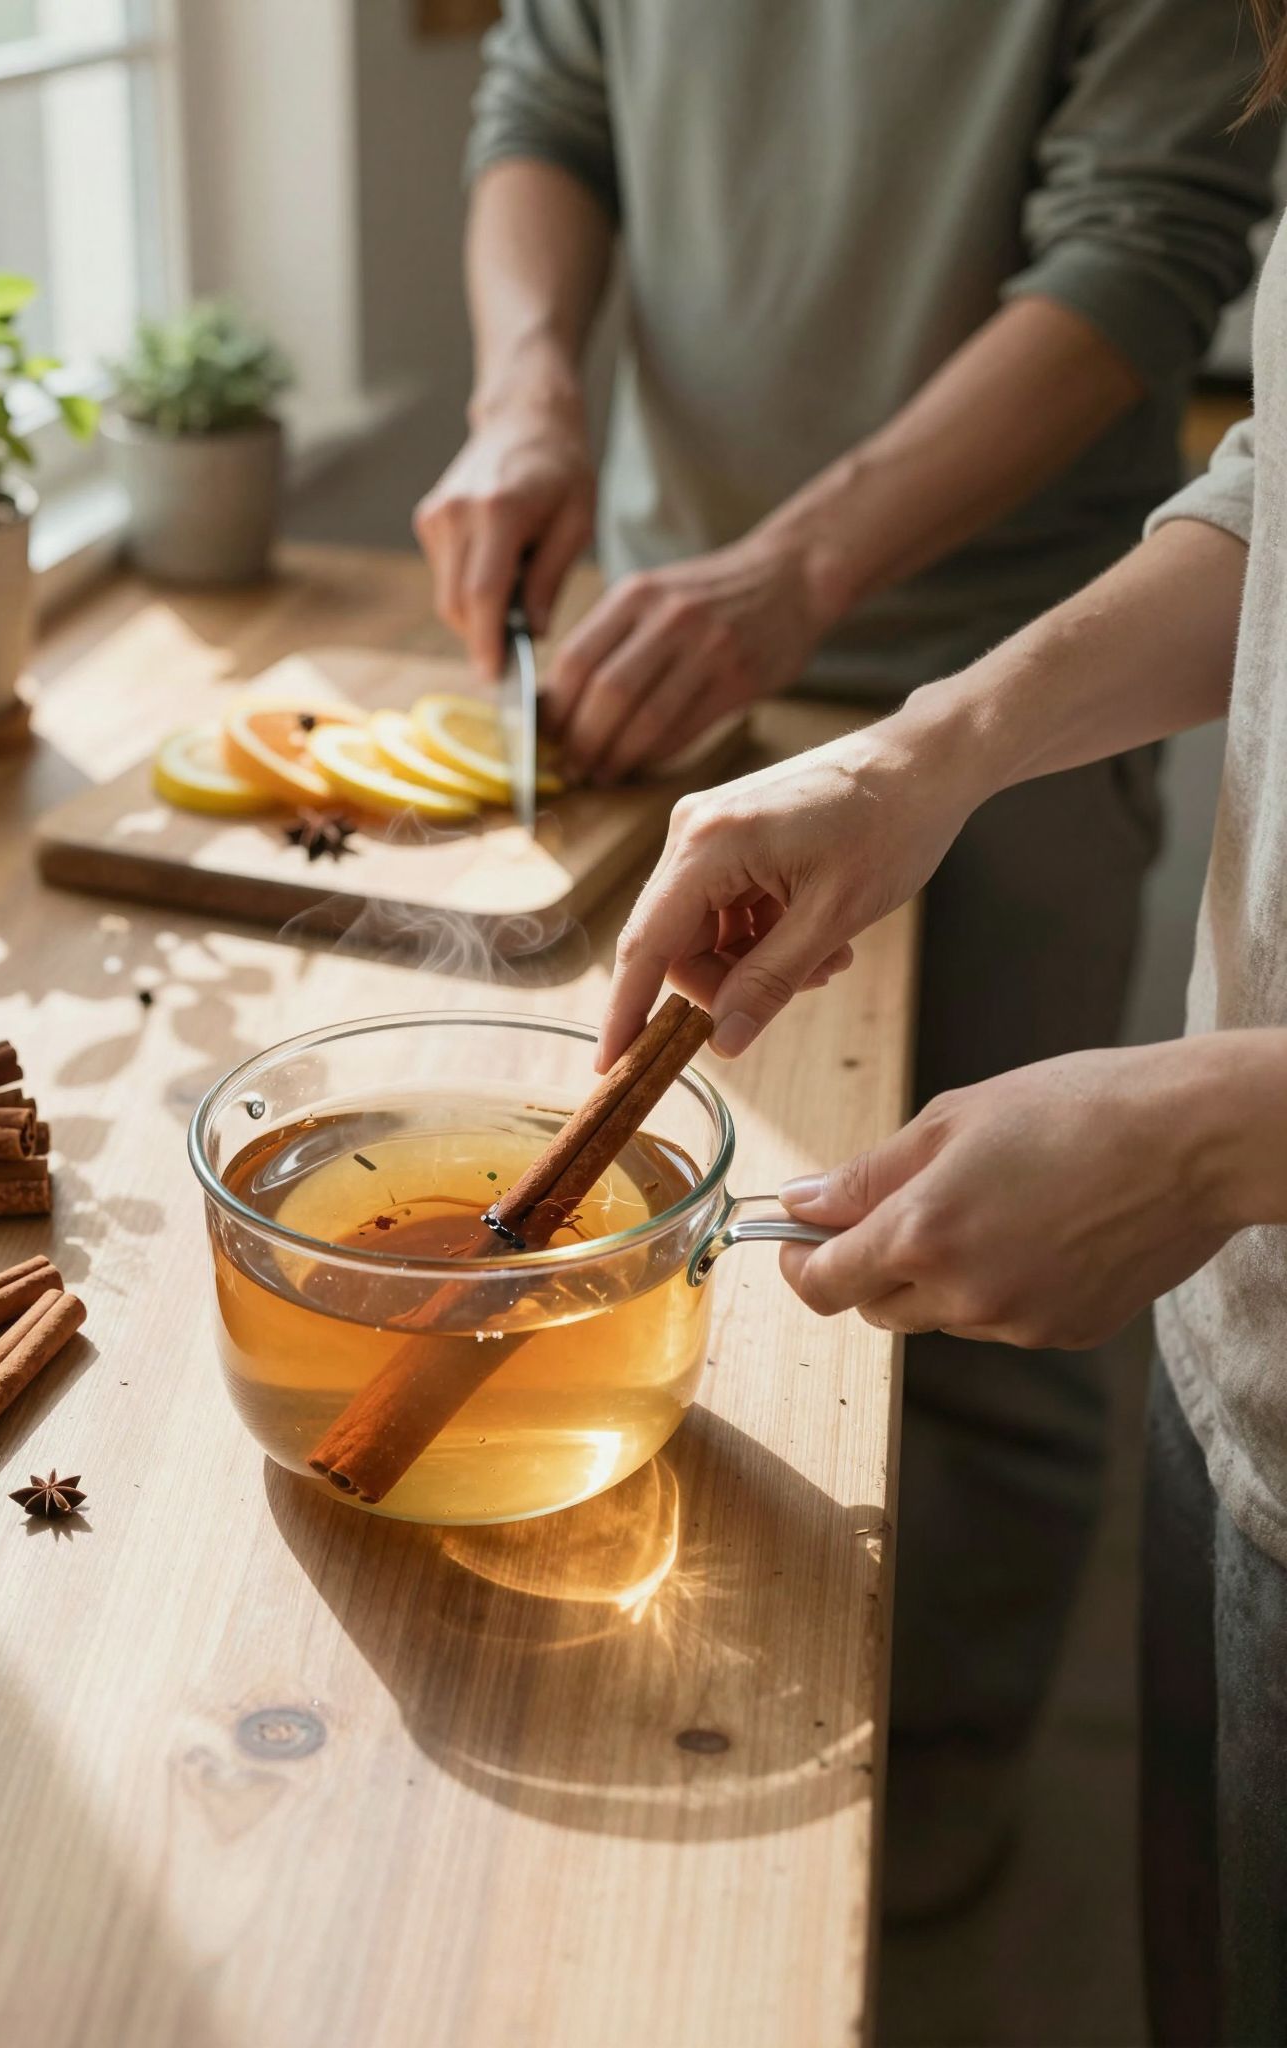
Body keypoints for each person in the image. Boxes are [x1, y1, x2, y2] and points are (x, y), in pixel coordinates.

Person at [416, 0, 1278, 1913]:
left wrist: (1213, 1133)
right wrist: (921, 752)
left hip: (1007, 644)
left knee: (991, 1363)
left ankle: (935, 1829)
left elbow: (1141, 248)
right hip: (1246, 1328)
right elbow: (1271, 497)